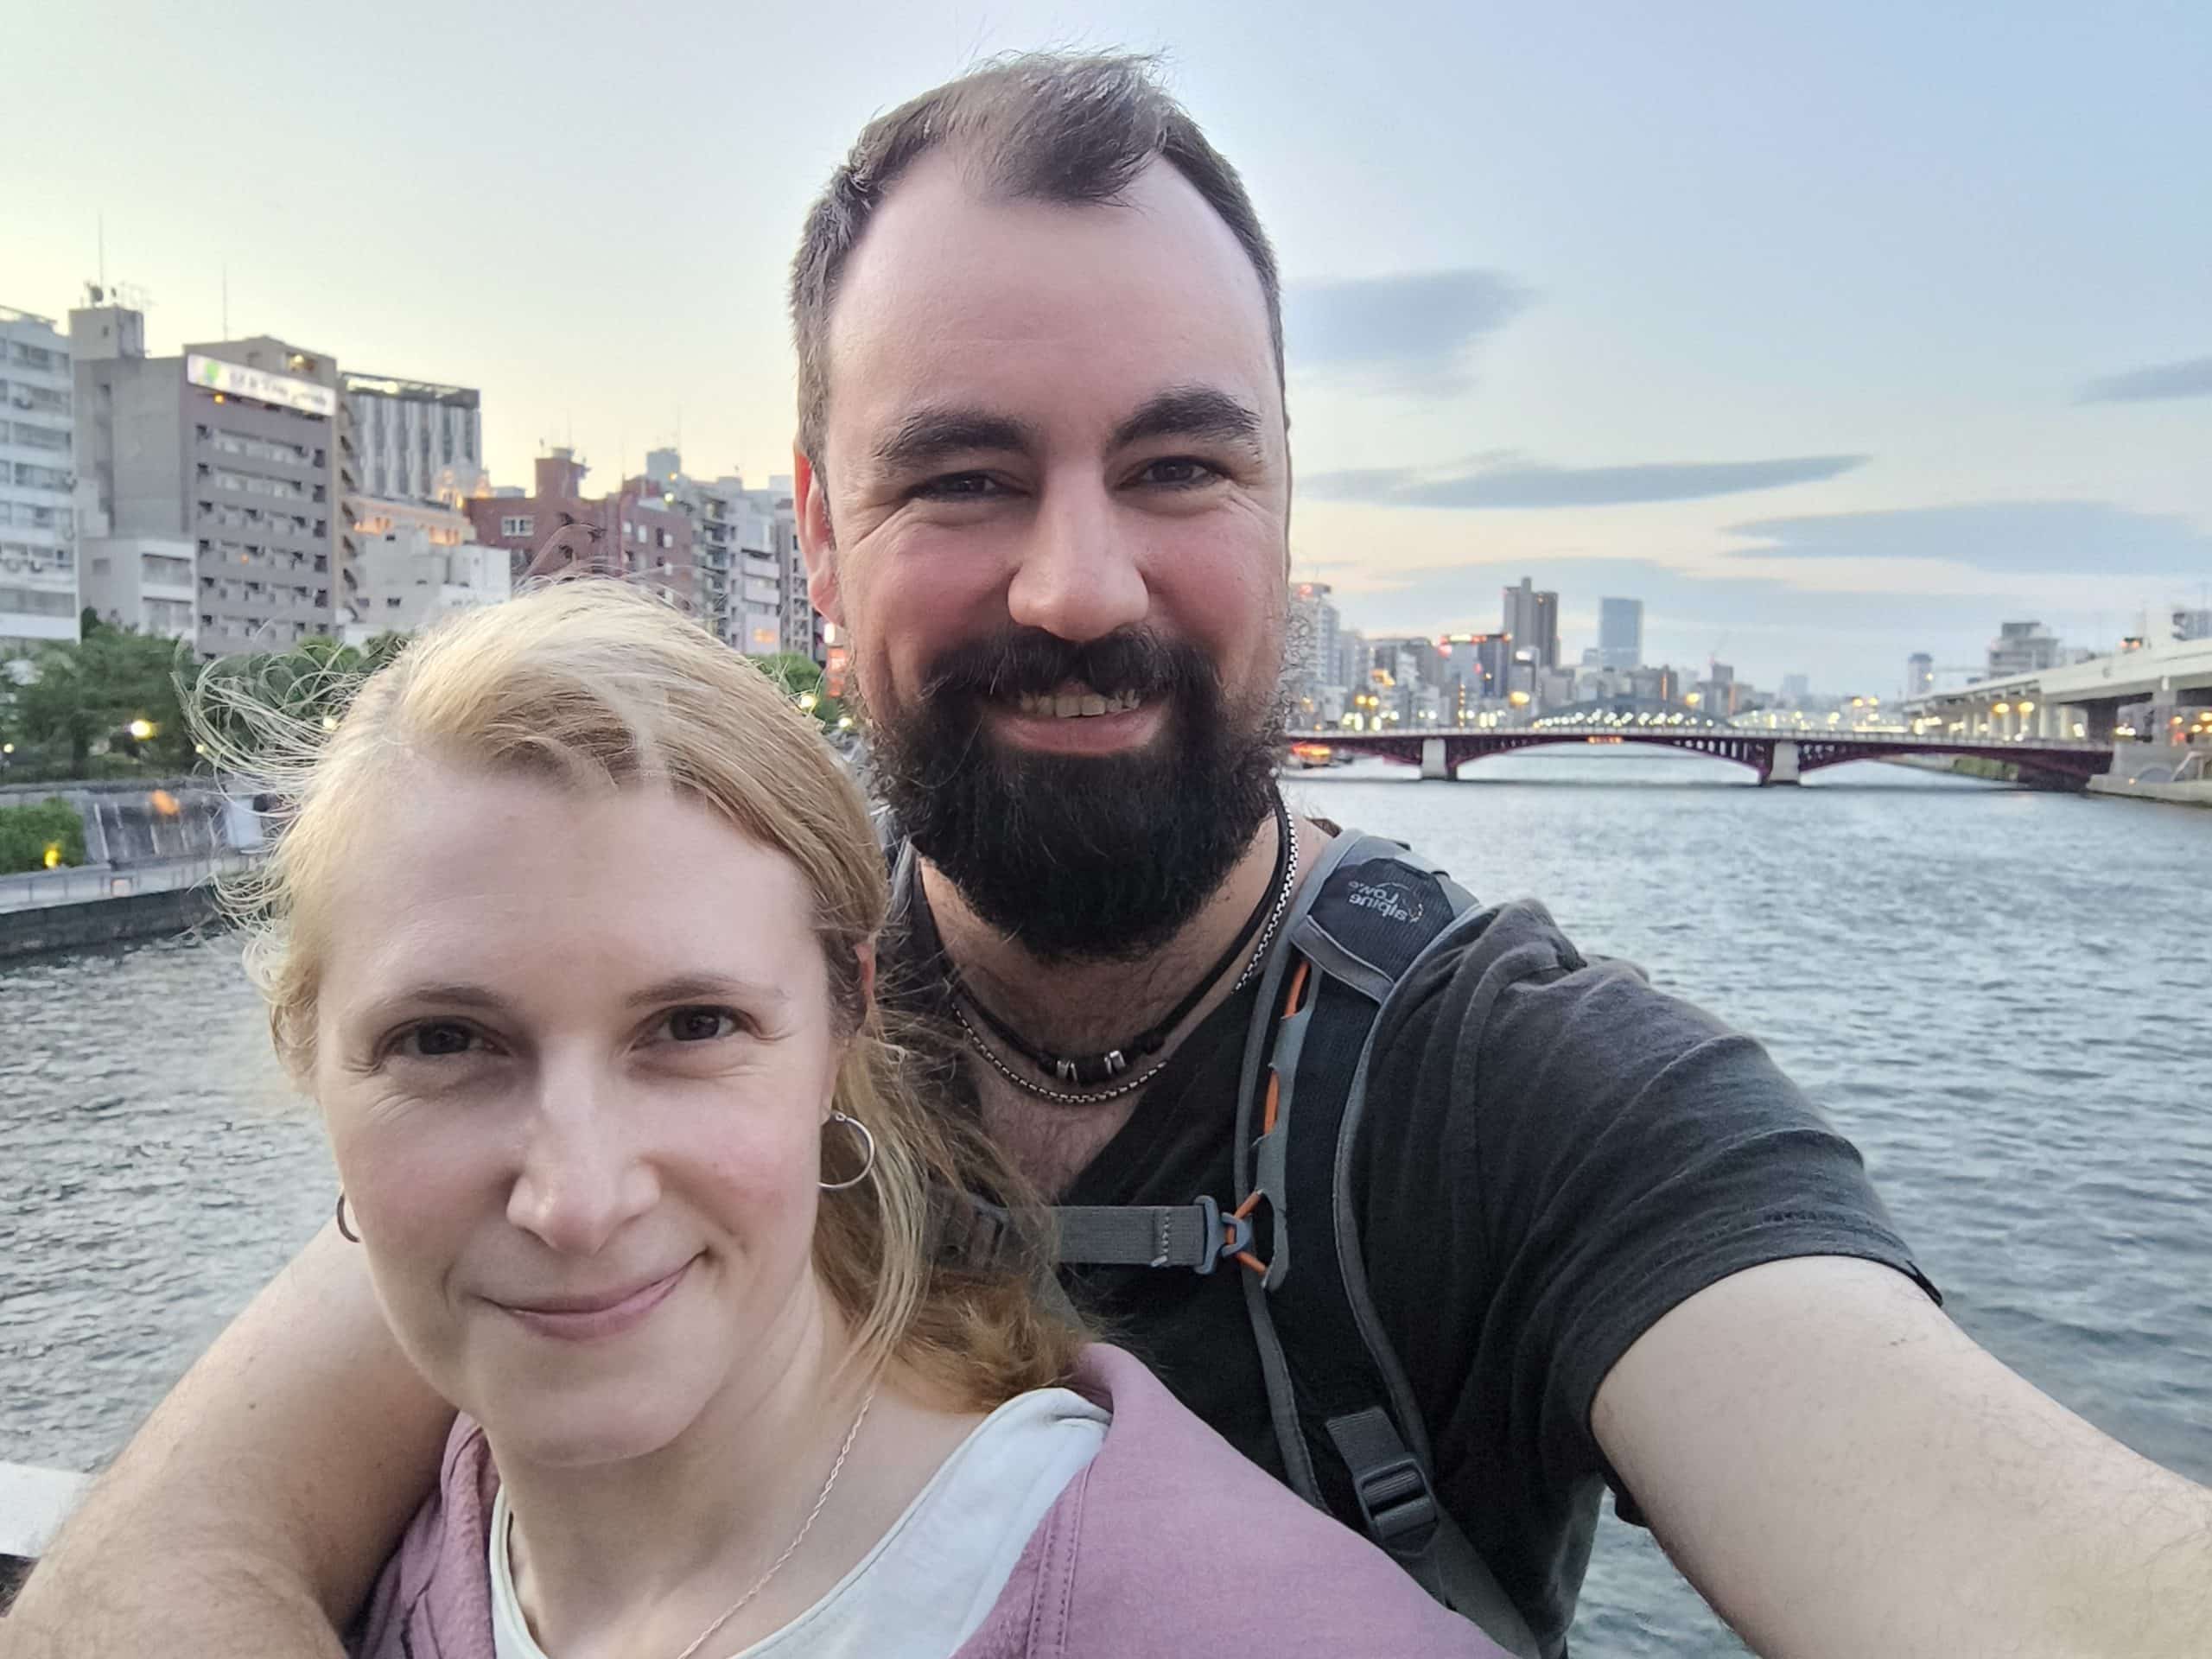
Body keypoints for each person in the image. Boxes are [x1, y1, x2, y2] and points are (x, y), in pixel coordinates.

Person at [12, 52, 2209, 1659]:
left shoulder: (1540, 1102)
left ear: (1282, 505)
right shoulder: (679, 1026)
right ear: (815, 534)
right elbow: (169, 1556)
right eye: (962, 477)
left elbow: (2008, 1561)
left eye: (1174, 466)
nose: (1075, 584)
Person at [191, 579, 1510, 1659]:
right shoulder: (374, 1558)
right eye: (442, 1042)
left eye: (692, 1027)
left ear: (844, 1023)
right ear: (309, 1056)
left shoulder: (1239, 1620)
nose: (577, 1200)